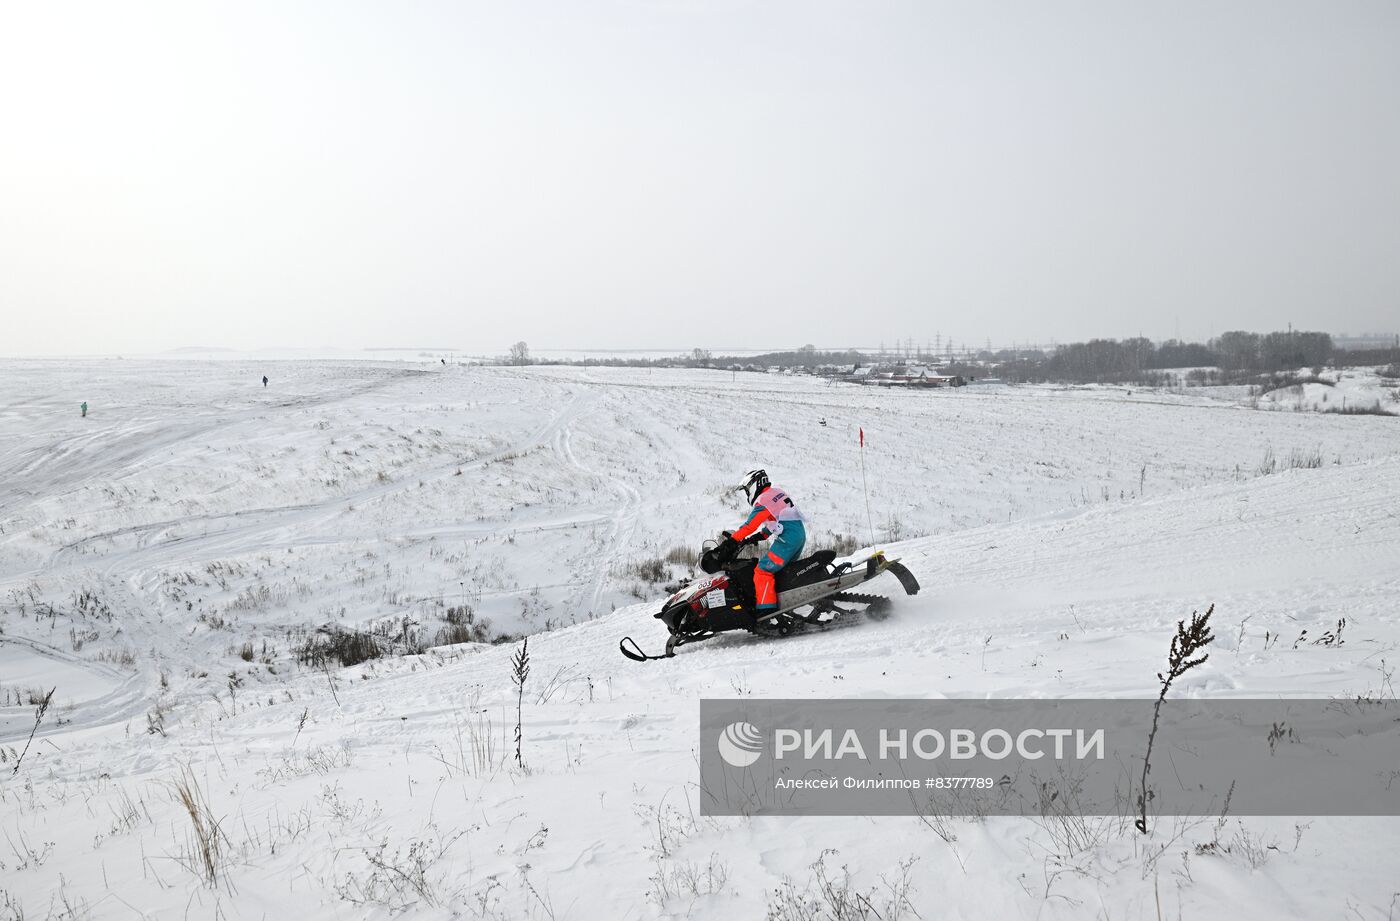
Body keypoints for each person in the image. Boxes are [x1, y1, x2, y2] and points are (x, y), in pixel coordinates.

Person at [723, 469, 806, 613]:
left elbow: (749, 526)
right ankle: (784, 602)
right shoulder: (776, 492)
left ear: (754, 485)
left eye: (747, 490)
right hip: (798, 536)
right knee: (782, 572)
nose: (748, 494)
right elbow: (779, 519)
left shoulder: (763, 500)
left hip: (787, 540)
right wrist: (760, 536)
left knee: (762, 570)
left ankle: (766, 610)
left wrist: (731, 541)